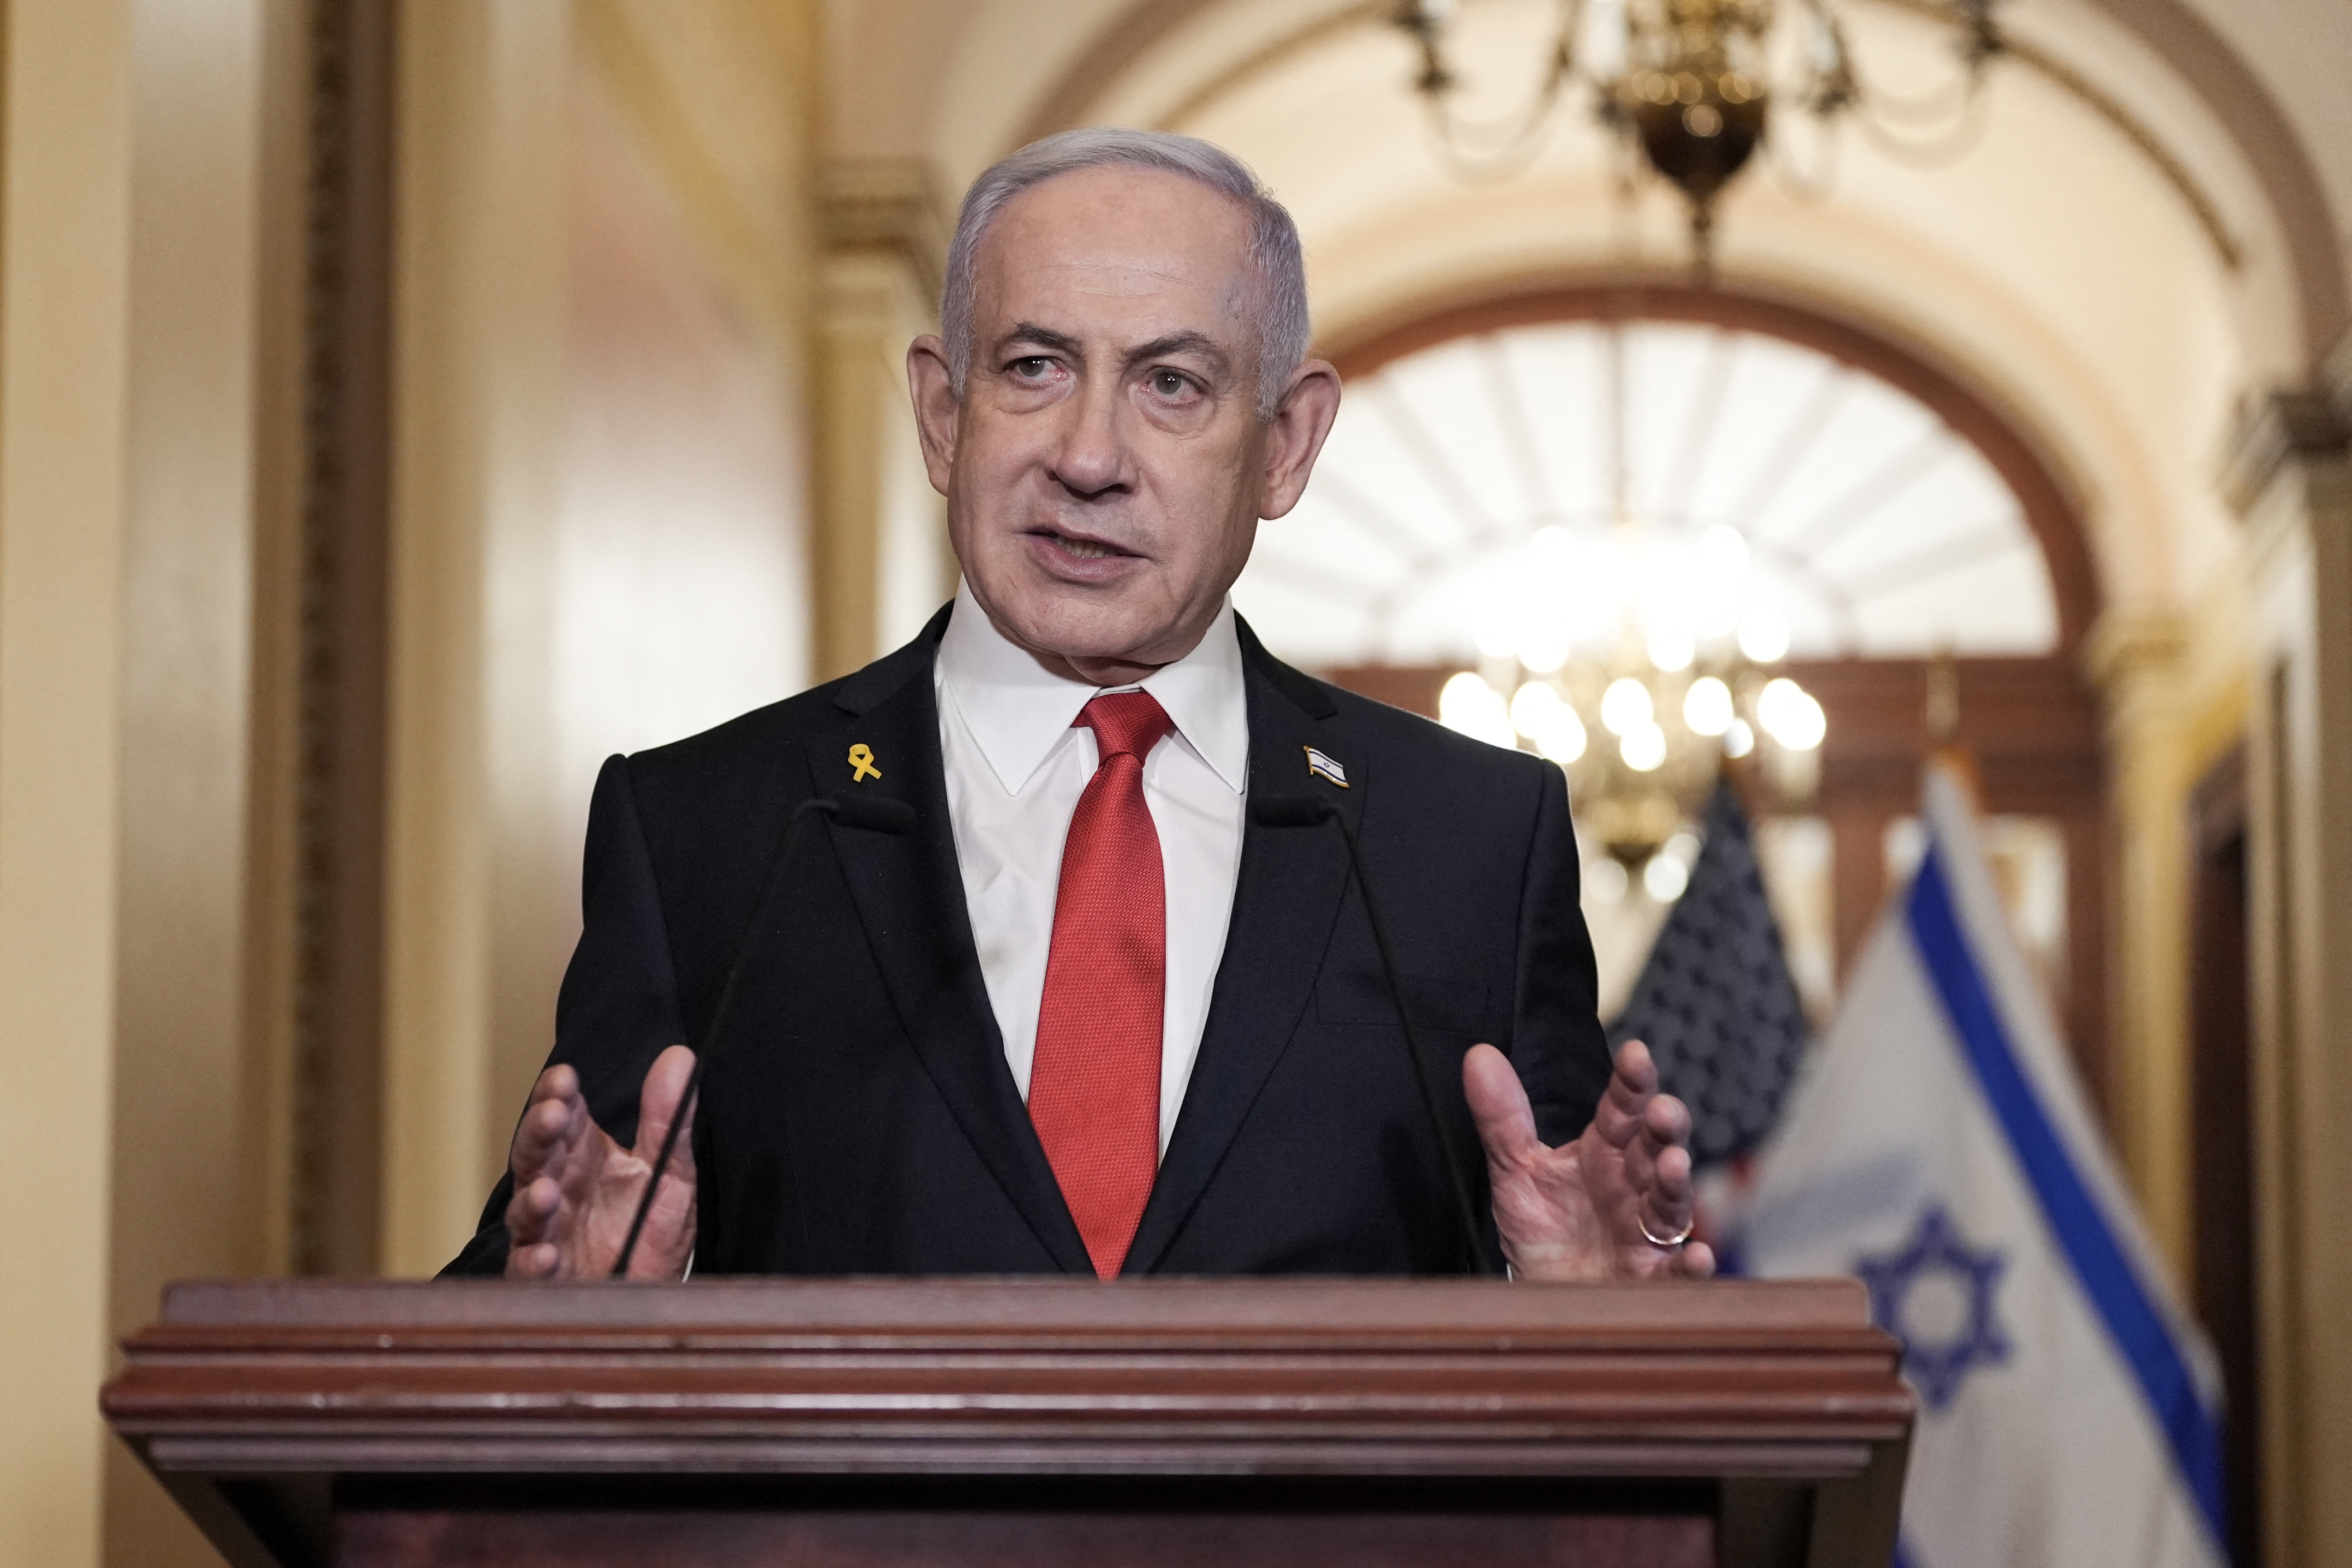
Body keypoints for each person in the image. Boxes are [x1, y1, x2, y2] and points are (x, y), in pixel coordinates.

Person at [443, 128, 1716, 1284]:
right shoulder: (711, 832)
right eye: (1035, 366)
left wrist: (1593, 1318)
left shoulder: (1464, 845)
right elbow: (538, 1276)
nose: (1089, 456)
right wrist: (569, 1321)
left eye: (1172, 384)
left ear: (1284, 446)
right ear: (944, 417)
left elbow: (1575, 1306)